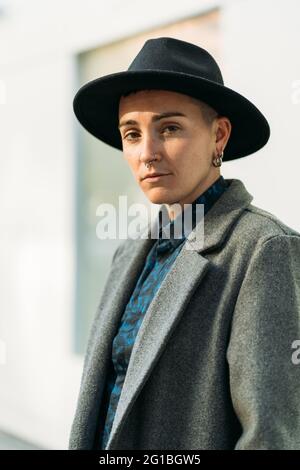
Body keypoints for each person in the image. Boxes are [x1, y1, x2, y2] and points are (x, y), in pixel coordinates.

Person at [69, 37, 300, 450]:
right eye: (132, 133)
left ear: (219, 136)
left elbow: (272, 434)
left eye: (170, 128)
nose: (148, 153)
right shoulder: (130, 251)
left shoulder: (263, 249)